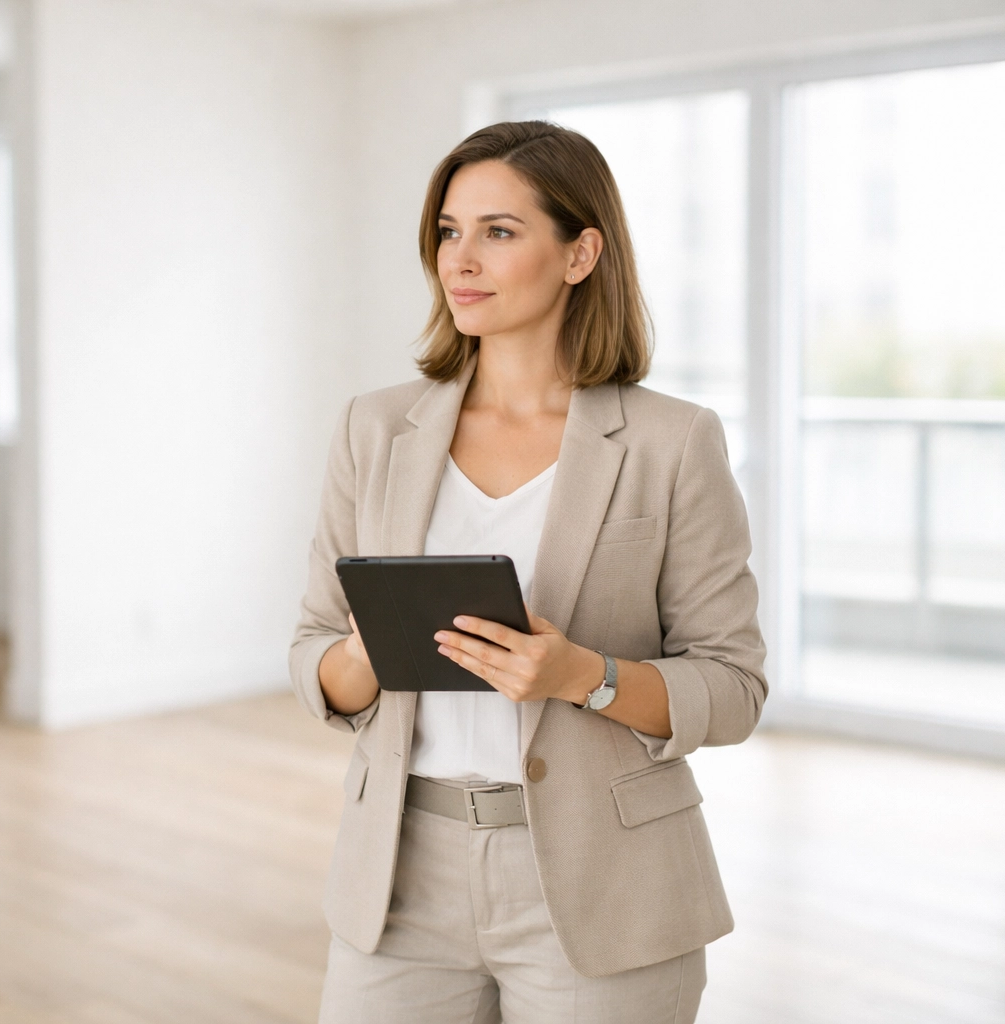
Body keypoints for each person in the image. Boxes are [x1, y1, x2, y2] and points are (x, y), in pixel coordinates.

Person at [289, 120, 767, 1023]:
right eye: (448, 231)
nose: (460, 260)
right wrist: (361, 653)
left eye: (498, 233)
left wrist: (582, 677)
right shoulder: (373, 428)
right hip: (398, 873)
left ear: (581, 252)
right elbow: (314, 649)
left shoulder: (673, 442)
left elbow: (735, 686)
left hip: (605, 886)